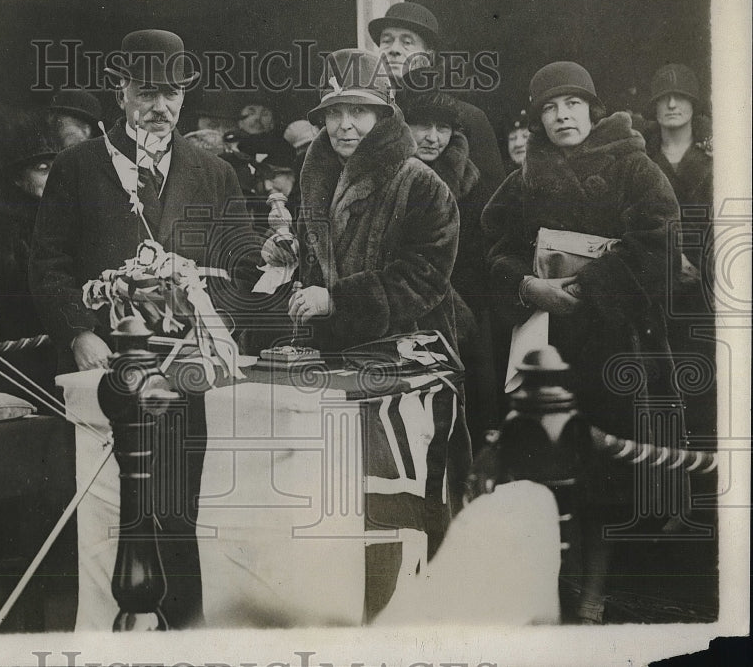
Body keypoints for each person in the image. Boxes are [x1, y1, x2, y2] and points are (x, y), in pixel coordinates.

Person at [28, 29, 256, 629]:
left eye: (174, 94)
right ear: (121, 90)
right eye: (149, 92)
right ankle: (114, 635)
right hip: (107, 371)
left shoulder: (215, 172)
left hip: (189, 375)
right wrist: (78, 332)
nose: (162, 107)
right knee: (112, 512)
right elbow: (47, 265)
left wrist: (213, 331)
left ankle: (185, 632)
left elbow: (240, 268)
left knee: (184, 511)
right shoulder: (78, 169)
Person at [481, 61, 684, 622]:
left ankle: (594, 591)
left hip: (617, 344)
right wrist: (525, 284)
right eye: (549, 107)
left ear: (593, 109)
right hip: (545, 344)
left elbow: (658, 246)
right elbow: (493, 242)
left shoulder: (635, 167)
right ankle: (547, 586)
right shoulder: (524, 177)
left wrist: (587, 285)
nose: (561, 115)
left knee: (603, 476)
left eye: (572, 103)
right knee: (543, 471)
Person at [292, 49, 470, 616]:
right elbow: (318, 260)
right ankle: (348, 609)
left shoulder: (421, 184)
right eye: (335, 112)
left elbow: (423, 277)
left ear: (387, 112)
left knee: (405, 501)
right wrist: (291, 257)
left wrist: (335, 299)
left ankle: (418, 616)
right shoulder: (319, 174)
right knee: (341, 500)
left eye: (360, 112)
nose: (345, 125)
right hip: (342, 364)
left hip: (409, 364)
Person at [397, 86, 498, 448]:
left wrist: (463, 311)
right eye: (421, 125)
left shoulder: (470, 182)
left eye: (443, 128)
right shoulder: (391, 178)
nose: (433, 137)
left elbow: (480, 257)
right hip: (402, 315)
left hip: (461, 319)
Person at [0, 110, 61, 397]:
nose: (54, 176)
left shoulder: (58, 216)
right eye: (42, 168)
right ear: (17, 178)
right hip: (13, 366)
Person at [642, 63, 715, 439]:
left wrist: (703, 266)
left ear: (694, 104)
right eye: (663, 98)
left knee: (706, 393)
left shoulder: (717, 160)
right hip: (656, 294)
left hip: (707, 296)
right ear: (653, 109)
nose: (672, 104)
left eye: (680, 96)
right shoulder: (641, 162)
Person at [368, 1, 507, 195]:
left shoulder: (470, 117)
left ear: (428, 56)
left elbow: (494, 201)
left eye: (407, 42)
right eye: (386, 40)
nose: (394, 49)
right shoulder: (369, 115)